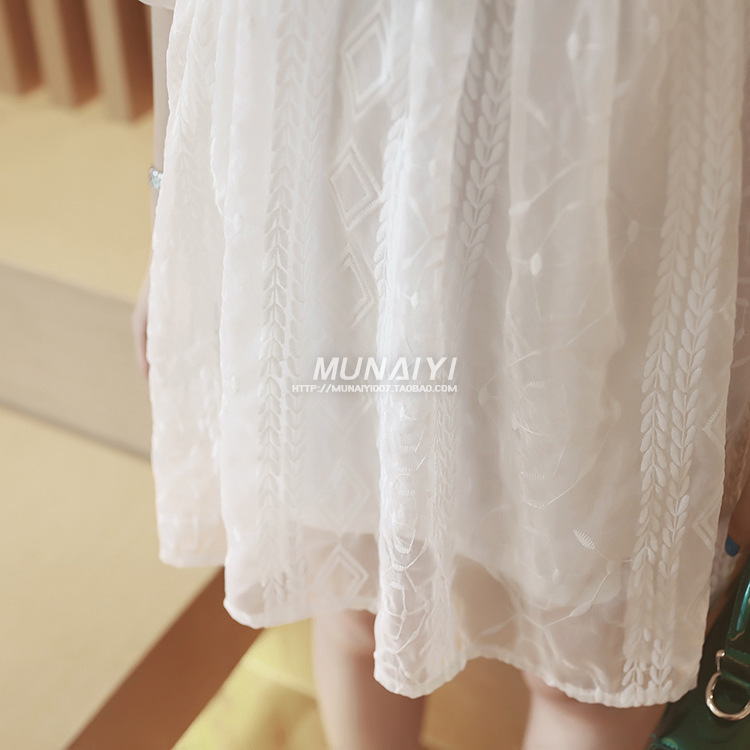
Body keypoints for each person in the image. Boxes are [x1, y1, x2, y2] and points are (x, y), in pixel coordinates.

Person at [131, 1, 750, 748]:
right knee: (357, 586)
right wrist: (171, 207)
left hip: (618, 138)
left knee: (589, 657)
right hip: (331, 106)